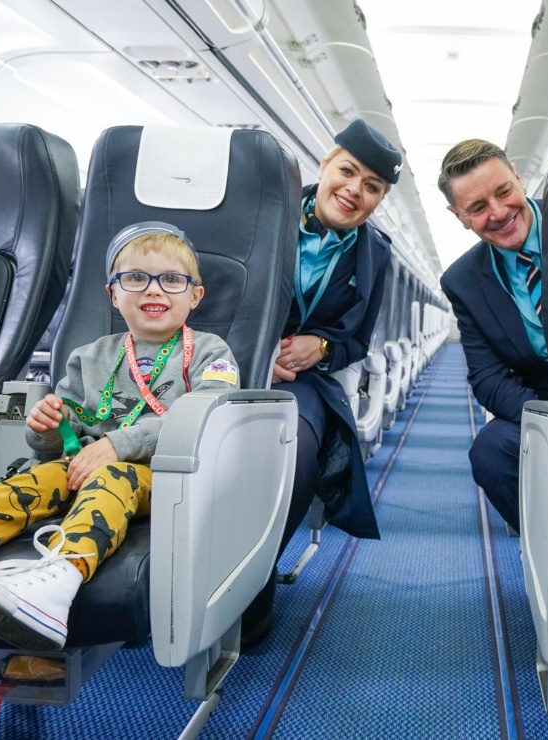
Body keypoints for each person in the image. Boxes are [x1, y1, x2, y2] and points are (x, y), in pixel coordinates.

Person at [0, 223, 239, 651]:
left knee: (113, 475)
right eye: (136, 278)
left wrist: (116, 445)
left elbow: (206, 415)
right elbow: (62, 440)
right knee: (27, 483)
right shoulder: (89, 357)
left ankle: (57, 582)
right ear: (113, 294)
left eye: (172, 280)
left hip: (167, 478)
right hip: (79, 467)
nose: (153, 289)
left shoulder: (211, 352)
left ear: (195, 295)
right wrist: (47, 428)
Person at [241, 119, 398, 637]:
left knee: (297, 448)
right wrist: (257, 352)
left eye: (372, 186)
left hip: (302, 381)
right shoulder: (264, 214)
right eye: (347, 172)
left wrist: (323, 347)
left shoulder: (376, 254)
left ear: (379, 199)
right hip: (226, 364)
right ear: (326, 164)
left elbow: (359, 341)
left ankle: (253, 580)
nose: (354, 190)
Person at [437, 140, 548, 532]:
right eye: (477, 207)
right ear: (459, 216)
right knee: (490, 452)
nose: (499, 213)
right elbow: (487, 379)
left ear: (518, 177)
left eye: (504, 192)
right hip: (544, 400)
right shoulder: (462, 280)